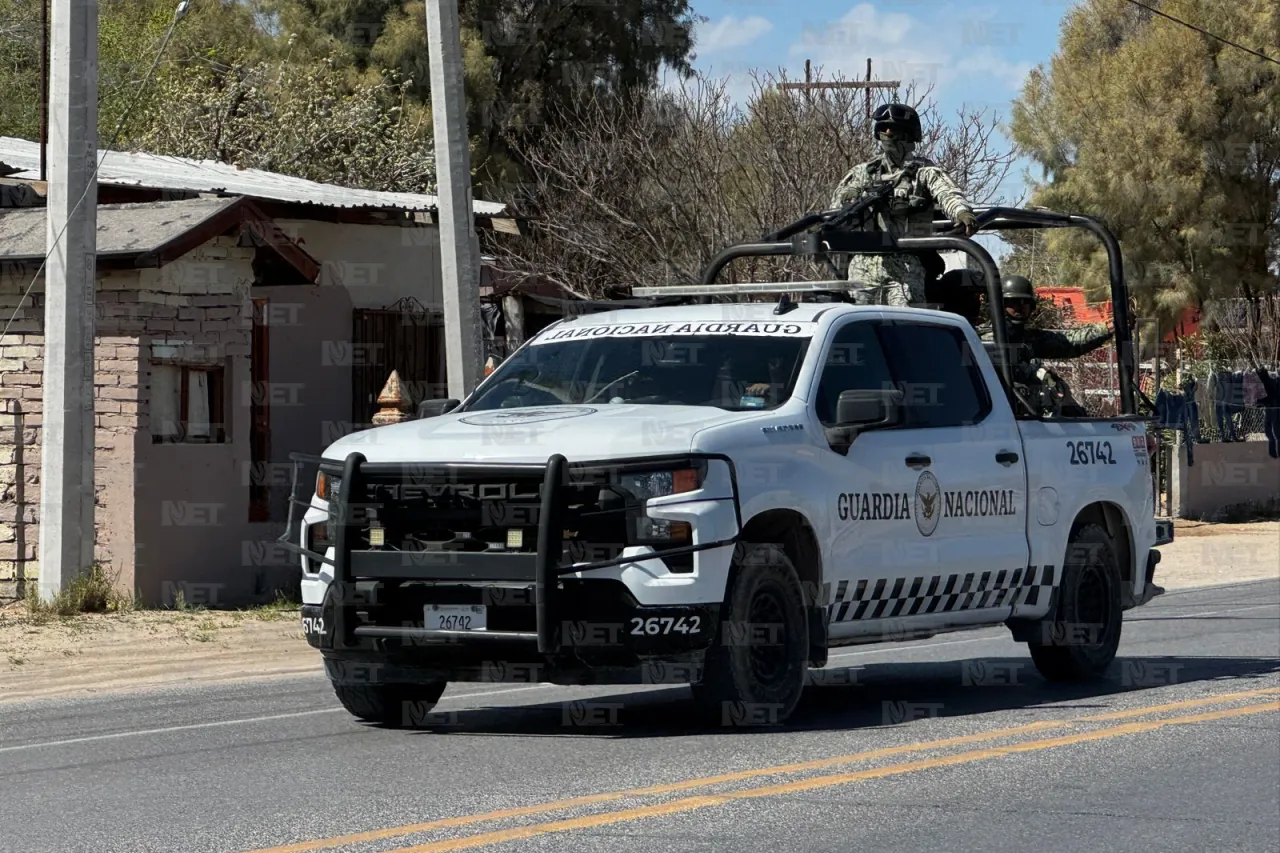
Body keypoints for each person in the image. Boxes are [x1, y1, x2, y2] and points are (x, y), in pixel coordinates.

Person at [829, 103, 979, 307]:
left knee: (905, 323)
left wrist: (962, 213)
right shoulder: (863, 173)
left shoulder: (924, 171)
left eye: (894, 130)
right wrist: (854, 200)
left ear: (909, 135)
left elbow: (947, 193)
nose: (888, 134)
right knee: (857, 323)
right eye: (883, 129)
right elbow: (836, 210)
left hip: (907, 262)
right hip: (864, 262)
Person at [982, 274, 1125, 360]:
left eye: (1025, 302)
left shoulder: (1029, 339)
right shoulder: (979, 339)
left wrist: (1107, 328)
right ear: (999, 305)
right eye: (1012, 302)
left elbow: (1069, 342)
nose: (1020, 306)